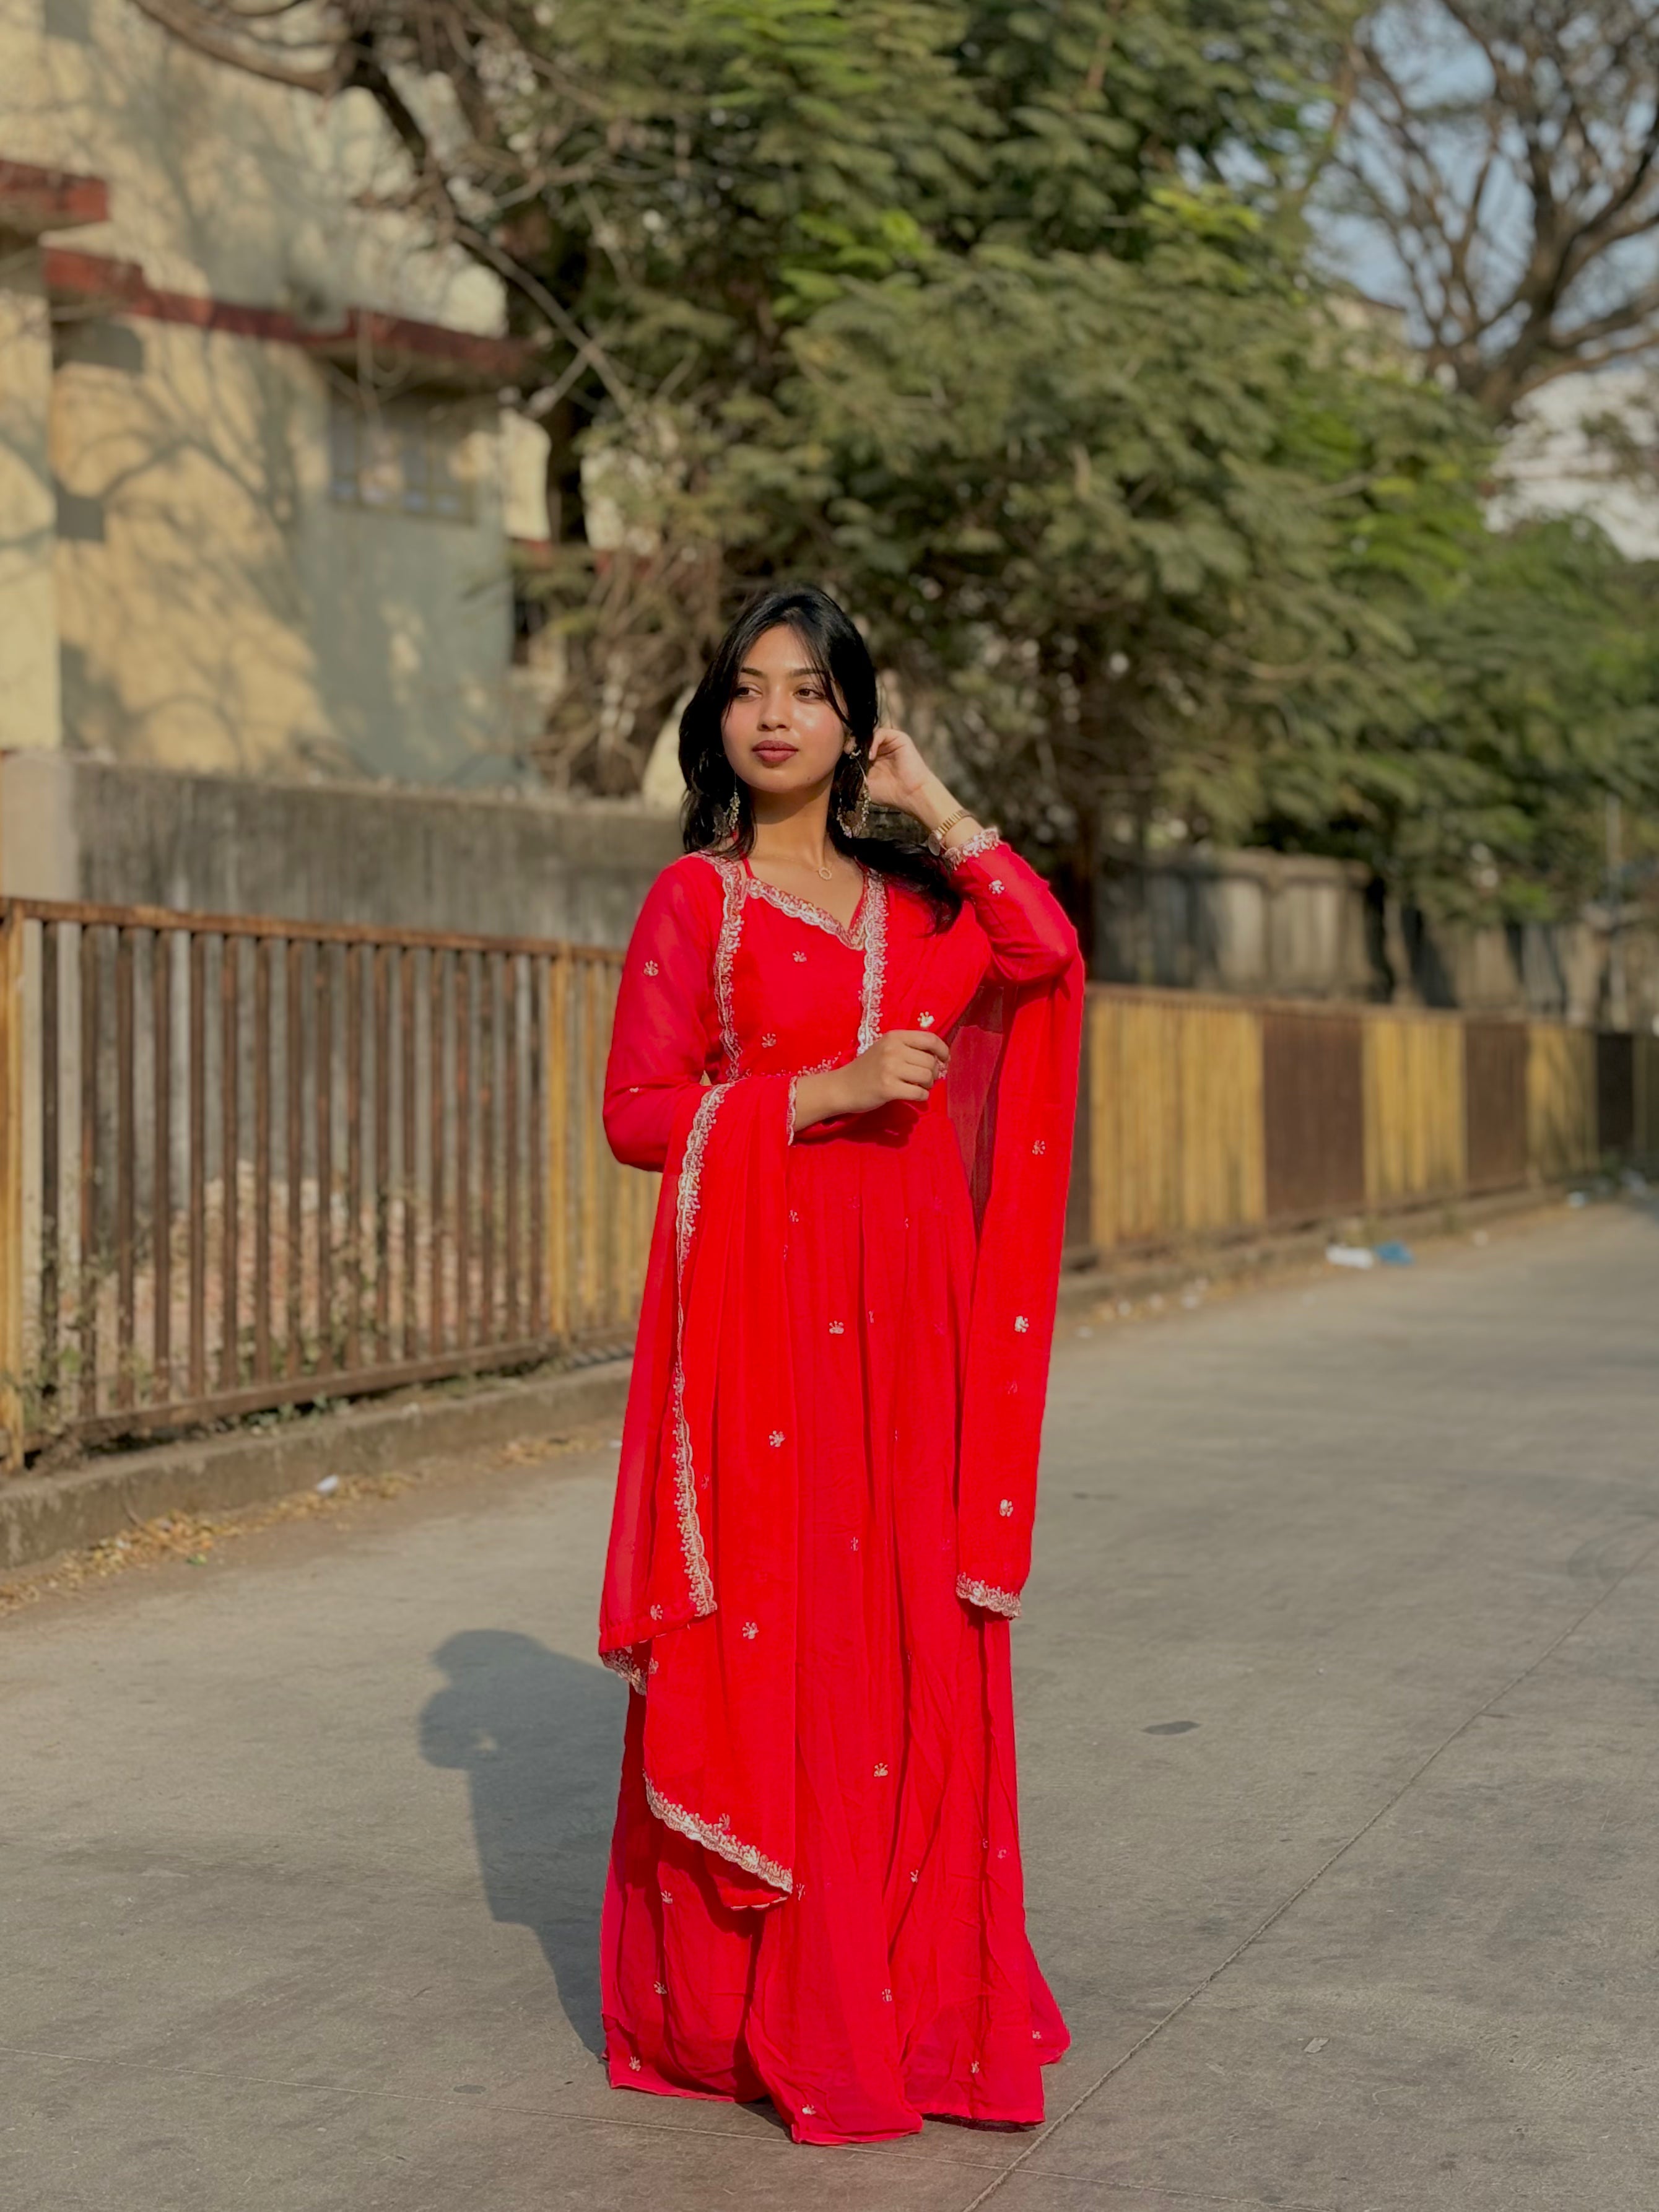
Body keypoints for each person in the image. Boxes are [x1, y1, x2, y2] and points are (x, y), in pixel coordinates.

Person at [596, 582, 1085, 2145]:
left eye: (807, 690)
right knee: (786, 1620)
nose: (773, 716)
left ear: (851, 717)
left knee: (904, 1629)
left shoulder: (922, 913)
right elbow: (636, 1112)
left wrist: (931, 803)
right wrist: (822, 1090)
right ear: (718, 719)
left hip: (913, 1314)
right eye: (746, 689)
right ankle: (767, 2012)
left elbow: (1044, 947)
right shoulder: (697, 902)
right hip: (763, 1304)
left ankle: (916, 1998)